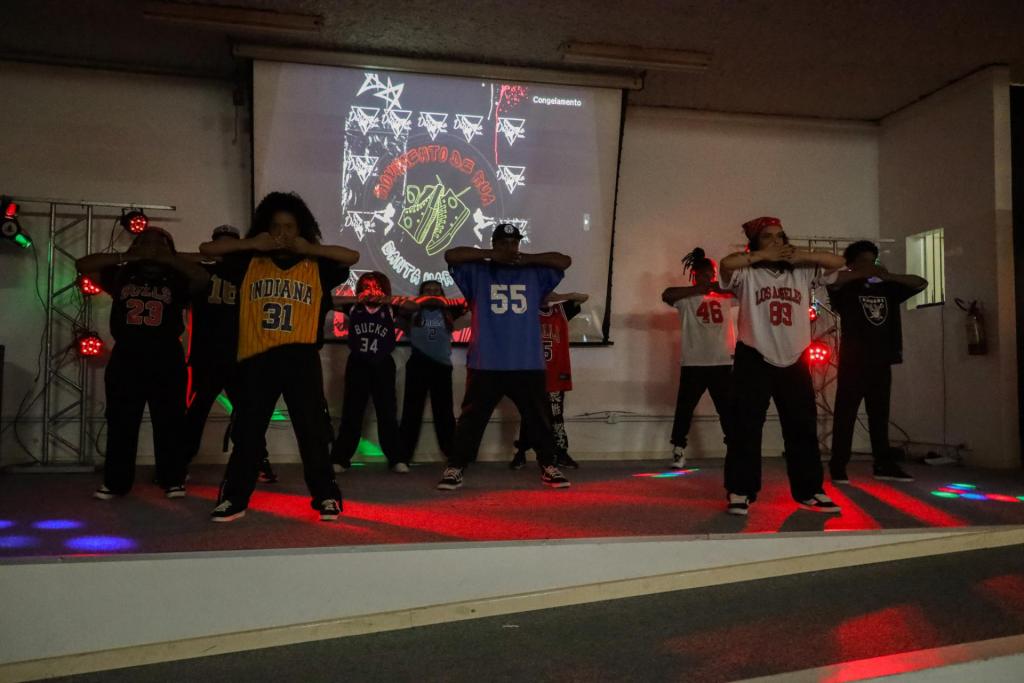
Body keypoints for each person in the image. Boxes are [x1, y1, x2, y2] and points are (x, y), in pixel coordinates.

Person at [199, 191, 358, 522]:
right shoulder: (249, 261)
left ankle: (326, 495)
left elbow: (351, 256)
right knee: (248, 431)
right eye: (276, 227)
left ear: (301, 230)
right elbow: (208, 250)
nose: (283, 233)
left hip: (301, 357)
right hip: (258, 357)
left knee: (311, 431)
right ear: (264, 229)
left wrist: (309, 248)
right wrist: (250, 243)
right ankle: (234, 497)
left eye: (290, 227)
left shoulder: (317, 264)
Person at [719, 216, 846, 515]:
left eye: (781, 236)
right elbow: (726, 264)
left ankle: (809, 490)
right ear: (755, 244)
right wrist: (762, 256)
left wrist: (802, 254)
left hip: (795, 355)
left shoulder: (801, 271)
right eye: (768, 237)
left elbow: (837, 260)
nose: (777, 242)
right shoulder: (748, 272)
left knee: (802, 427)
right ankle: (740, 490)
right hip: (754, 354)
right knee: (745, 427)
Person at [437, 223, 572, 490]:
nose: (510, 248)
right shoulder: (478, 271)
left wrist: (526, 258)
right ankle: (456, 466)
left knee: (539, 418)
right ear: (495, 243)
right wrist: (490, 255)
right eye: (504, 243)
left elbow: (564, 260)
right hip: (487, 360)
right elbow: (451, 255)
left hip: (527, 361)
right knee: (472, 420)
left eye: (514, 243)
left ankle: (548, 464)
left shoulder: (533, 272)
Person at [77, 227, 210, 500]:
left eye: (158, 242)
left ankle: (172, 478)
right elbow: (83, 264)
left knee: (170, 421)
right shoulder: (123, 273)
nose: (150, 246)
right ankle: (116, 482)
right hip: (127, 354)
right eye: (145, 241)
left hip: (166, 355)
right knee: (121, 421)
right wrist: (128, 256)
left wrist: (167, 258)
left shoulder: (178, 276)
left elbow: (203, 278)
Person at [827, 240, 927, 484]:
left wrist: (888, 275)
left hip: (882, 359)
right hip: (854, 360)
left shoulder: (887, 287)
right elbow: (832, 280)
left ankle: (884, 463)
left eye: (873, 260)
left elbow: (921, 282)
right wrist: (861, 273)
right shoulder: (847, 287)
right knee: (845, 414)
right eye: (863, 261)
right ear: (851, 265)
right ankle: (838, 466)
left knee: (879, 415)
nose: (870, 266)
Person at [181, 225, 276, 483]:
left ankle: (257, 460)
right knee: (195, 413)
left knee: (249, 413)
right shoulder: (202, 268)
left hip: (242, 356)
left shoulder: (249, 270)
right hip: (206, 355)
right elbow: (179, 258)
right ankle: (177, 464)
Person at [330, 272, 414, 472]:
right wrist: (357, 298)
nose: (371, 291)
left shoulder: (390, 307)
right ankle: (340, 458)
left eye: (376, 287)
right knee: (352, 412)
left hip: (383, 363)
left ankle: (396, 458)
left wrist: (386, 299)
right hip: (358, 362)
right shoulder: (354, 306)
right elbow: (329, 300)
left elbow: (413, 306)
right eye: (367, 287)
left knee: (387, 413)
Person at [661, 247, 736, 469]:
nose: (707, 278)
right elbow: (667, 294)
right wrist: (698, 289)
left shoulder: (724, 297)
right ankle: (678, 448)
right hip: (694, 361)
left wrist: (716, 287)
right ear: (695, 275)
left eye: (709, 275)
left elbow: (743, 292)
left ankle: (734, 447)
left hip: (722, 361)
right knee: (684, 408)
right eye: (702, 275)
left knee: (728, 409)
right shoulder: (686, 299)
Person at [510, 291, 589, 470]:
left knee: (556, 417)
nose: (544, 295)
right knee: (529, 415)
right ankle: (521, 452)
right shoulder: (526, 312)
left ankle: (561, 453)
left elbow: (583, 297)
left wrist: (558, 296)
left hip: (555, 374)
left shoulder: (560, 310)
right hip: (532, 374)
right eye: (541, 291)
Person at [398, 280, 468, 464]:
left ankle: (452, 454)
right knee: (412, 412)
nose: (432, 294)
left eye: (436, 291)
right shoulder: (413, 312)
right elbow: (401, 311)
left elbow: (467, 305)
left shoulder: (448, 312)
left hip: (442, 366)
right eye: (427, 290)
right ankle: (403, 456)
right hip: (418, 363)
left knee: (444, 413)